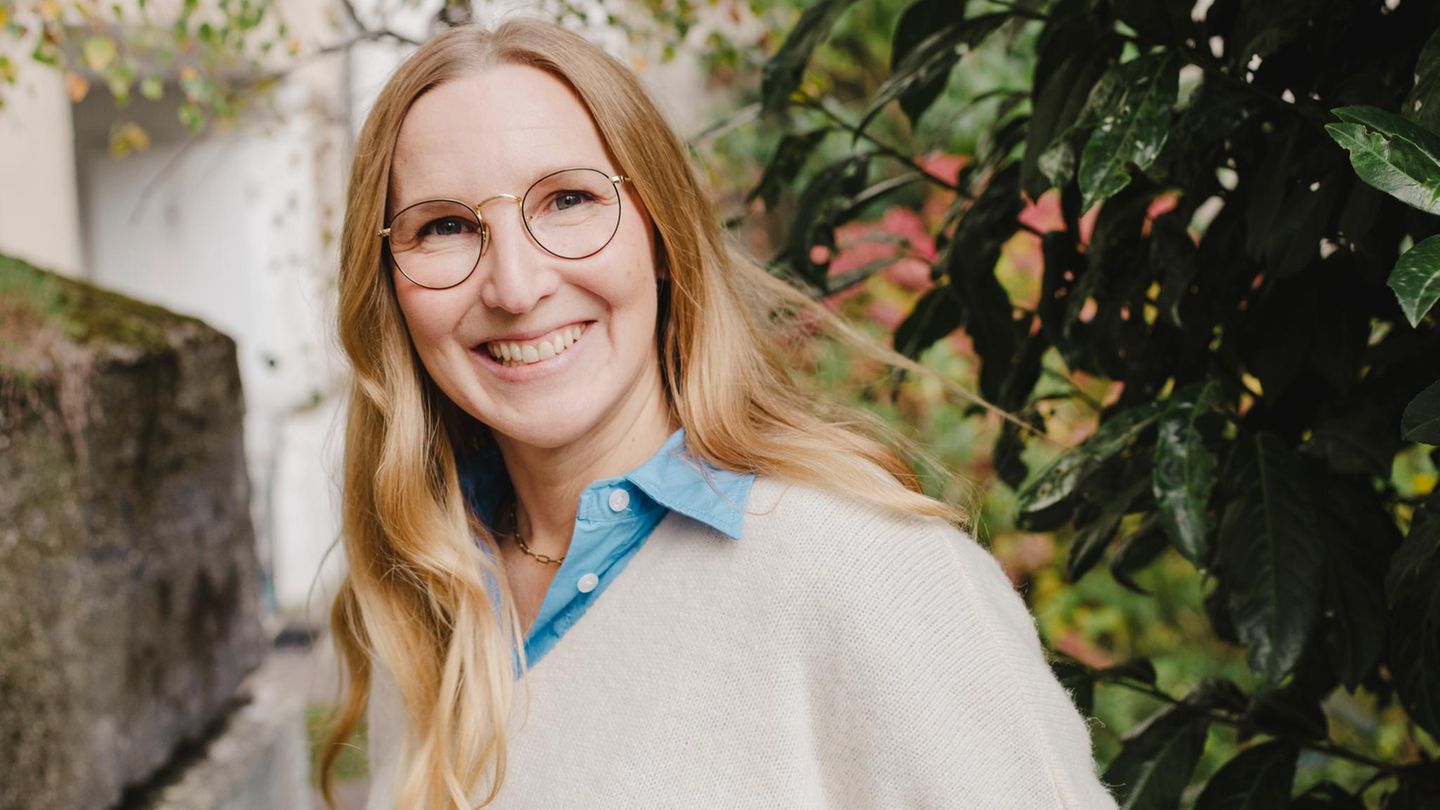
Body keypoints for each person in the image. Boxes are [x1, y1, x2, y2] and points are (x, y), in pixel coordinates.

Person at [322, 17, 1119, 810]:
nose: (517, 286)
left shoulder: (868, 571)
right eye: (446, 226)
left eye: (569, 199)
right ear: (386, 285)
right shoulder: (431, 591)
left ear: (661, 232)